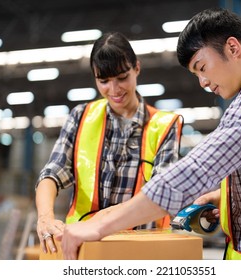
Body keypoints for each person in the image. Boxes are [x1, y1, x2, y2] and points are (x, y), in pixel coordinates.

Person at [56, 8, 241, 260]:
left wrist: (98, 227)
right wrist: (223, 198)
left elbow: (194, 171)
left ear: (233, 48)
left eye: (202, 67)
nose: (203, 82)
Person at [35, 32, 183, 254]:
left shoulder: (164, 125)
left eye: (122, 77)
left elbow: (162, 193)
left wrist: (106, 218)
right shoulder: (80, 117)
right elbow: (53, 172)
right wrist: (45, 217)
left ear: (137, 68)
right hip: (83, 248)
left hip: (143, 250)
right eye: (103, 81)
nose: (114, 90)